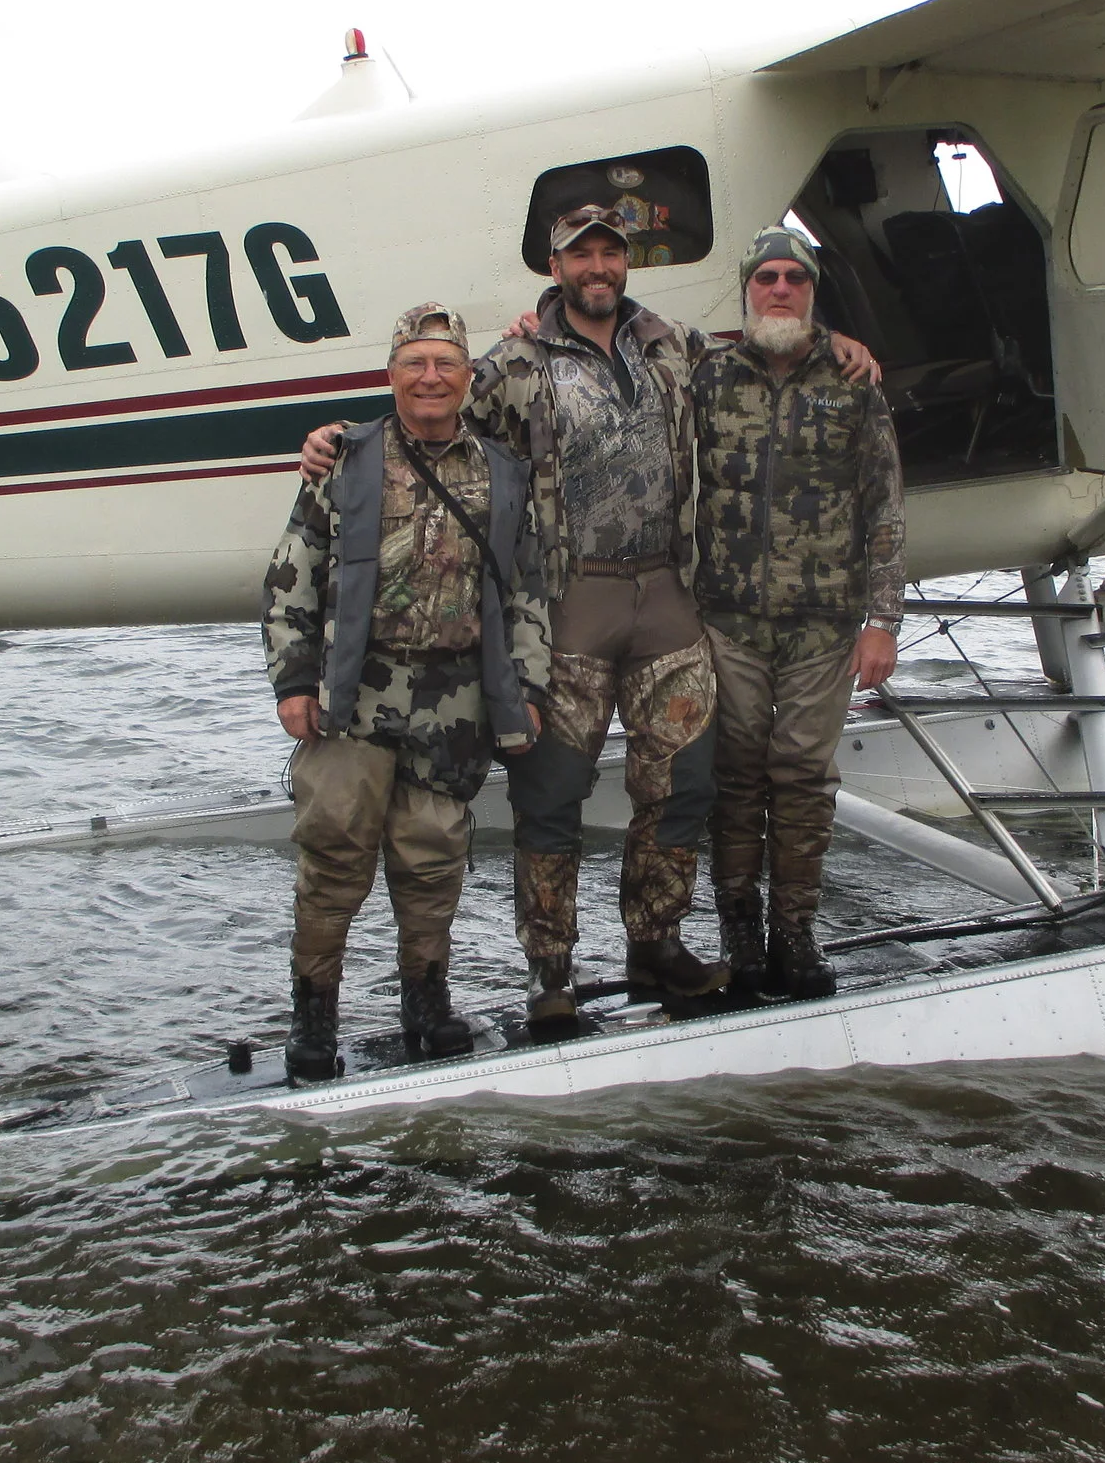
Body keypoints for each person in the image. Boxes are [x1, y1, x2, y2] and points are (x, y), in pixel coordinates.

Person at [299, 210, 876, 1037]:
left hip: (666, 597)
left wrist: (840, 342)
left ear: (626, 263)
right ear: (556, 264)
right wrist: (336, 441)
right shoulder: (516, 359)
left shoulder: (676, 342)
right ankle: (552, 972)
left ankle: (657, 941)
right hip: (572, 602)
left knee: (683, 785)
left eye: (611, 252)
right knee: (553, 794)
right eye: (582, 254)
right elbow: (429, 419)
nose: (598, 266)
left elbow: (767, 356)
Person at [262, 301, 549, 1079]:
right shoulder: (341, 459)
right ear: (390, 374)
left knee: (433, 862)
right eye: (415, 362)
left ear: (465, 377)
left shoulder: (501, 472)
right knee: (333, 857)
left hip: (454, 698)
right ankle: (314, 1008)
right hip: (351, 694)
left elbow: (527, 590)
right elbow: (292, 575)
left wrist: (528, 687)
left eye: (445, 363)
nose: (430, 377)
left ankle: (426, 999)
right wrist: (293, 681)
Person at [694, 229, 904, 1001]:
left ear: (813, 291)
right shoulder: (707, 376)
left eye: (794, 279)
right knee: (736, 778)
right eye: (766, 278)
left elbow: (884, 505)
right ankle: (739, 929)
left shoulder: (854, 382)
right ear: (747, 289)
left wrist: (883, 617)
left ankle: (796, 929)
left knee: (806, 779)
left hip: (823, 624)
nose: (779, 289)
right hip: (728, 620)